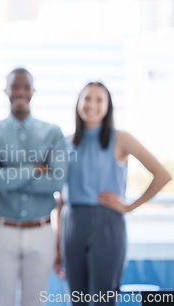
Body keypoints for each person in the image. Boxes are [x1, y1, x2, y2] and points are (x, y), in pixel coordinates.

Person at [54, 82, 171, 305]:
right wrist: (56, 246)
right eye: (87, 98)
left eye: (99, 100)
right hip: (72, 224)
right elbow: (61, 200)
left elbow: (162, 175)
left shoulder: (121, 139)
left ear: (108, 106)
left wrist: (129, 206)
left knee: (102, 299)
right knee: (76, 299)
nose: (92, 105)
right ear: (78, 103)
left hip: (106, 225)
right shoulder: (66, 143)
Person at [0, 67, 67, 306]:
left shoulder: (53, 133)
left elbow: (56, 181)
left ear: (33, 91)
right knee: (0, 300)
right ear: (6, 90)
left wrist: (8, 173)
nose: (20, 92)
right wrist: (34, 170)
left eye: (26, 87)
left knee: (35, 302)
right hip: (2, 230)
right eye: (15, 86)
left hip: (41, 231)